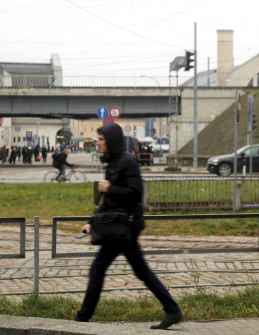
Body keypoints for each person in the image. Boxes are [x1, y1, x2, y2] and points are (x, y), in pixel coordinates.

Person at [73, 123, 182, 329]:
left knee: (98, 268)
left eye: (101, 140)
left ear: (111, 141)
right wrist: (91, 221)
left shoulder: (127, 162)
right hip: (118, 226)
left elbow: (135, 193)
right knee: (140, 270)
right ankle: (172, 309)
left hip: (126, 227)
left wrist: (110, 188)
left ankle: (82, 318)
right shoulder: (113, 162)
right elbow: (107, 202)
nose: (98, 143)